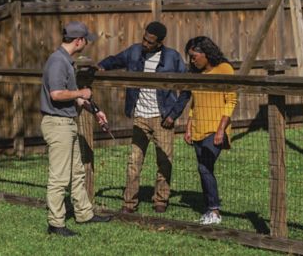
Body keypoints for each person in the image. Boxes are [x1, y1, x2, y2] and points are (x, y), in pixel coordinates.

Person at [98, 21, 191, 213]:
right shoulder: (134, 51)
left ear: (159, 43)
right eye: (144, 39)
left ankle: (161, 200)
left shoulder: (172, 57)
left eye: (150, 42)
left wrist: (174, 114)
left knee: (164, 161)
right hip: (139, 117)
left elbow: (187, 87)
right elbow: (115, 59)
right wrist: (101, 66)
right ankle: (129, 203)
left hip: (162, 117)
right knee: (134, 162)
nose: (145, 44)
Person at [40, 21, 111, 237]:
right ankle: (56, 223)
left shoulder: (67, 61)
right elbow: (56, 94)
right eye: (86, 40)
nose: (86, 44)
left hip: (68, 123)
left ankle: (84, 214)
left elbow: (75, 98)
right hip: (57, 124)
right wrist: (81, 93)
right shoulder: (57, 62)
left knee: (78, 172)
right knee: (60, 178)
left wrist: (95, 110)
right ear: (78, 40)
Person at [183, 36, 237, 225]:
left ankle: (214, 211)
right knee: (205, 170)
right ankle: (209, 209)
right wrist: (188, 127)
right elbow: (194, 103)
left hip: (215, 129)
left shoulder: (225, 69)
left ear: (206, 53)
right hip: (198, 128)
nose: (192, 60)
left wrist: (221, 129)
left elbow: (231, 101)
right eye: (190, 57)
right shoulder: (196, 74)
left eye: (194, 56)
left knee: (204, 167)